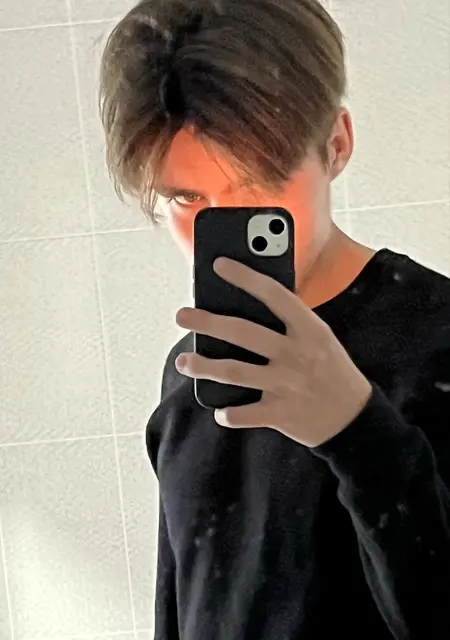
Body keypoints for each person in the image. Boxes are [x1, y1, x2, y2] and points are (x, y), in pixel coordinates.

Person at [99, 1, 450, 638]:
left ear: (336, 145)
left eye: (259, 183)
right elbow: (181, 607)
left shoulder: (439, 338)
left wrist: (356, 431)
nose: (215, 229)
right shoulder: (195, 369)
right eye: (186, 196)